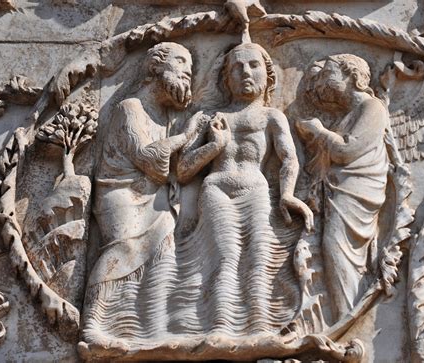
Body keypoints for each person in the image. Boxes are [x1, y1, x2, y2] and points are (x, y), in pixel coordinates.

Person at [173, 42, 313, 338]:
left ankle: (261, 327)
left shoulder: (271, 117)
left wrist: (287, 194)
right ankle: (221, 326)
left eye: (253, 65)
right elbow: (183, 170)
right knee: (224, 257)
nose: (245, 72)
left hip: (255, 191)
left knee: (259, 258)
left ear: (267, 74)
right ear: (225, 78)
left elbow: (289, 158)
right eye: (236, 67)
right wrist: (214, 145)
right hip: (217, 190)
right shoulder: (208, 118)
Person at [79, 42, 195, 353]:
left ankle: (147, 327)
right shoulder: (129, 107)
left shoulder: (166, 117)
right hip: (120, 193)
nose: (188, 71)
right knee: (124, 249)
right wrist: (187, 137)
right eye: (181, 61)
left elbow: (169, 169)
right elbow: (150, 160)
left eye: (191, 67)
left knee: (163, 256)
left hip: (154, 197)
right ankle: (91, 326)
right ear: (155, 66)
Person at [296, 54, 389, 321]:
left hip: (357, 194)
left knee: (339, 249)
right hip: (340, 192)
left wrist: (318, 131)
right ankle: (345, 316)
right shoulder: (348, 116)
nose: (322, 82)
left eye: (327, 74)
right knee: (333, 249)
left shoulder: (373, 108)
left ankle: (347, 319)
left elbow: (347, 150)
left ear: (352, 76)